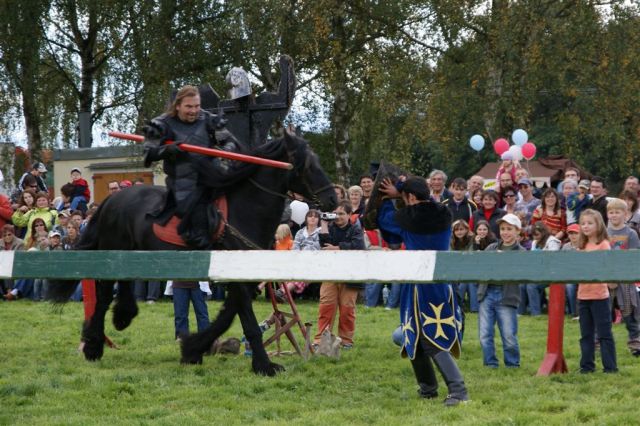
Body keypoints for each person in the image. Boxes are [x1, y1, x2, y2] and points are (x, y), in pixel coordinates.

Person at [376, 176, 468, 406]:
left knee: (432, 338)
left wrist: (390, 198)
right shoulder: (444, 213)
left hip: (419, 286)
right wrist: (402, 192)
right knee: (413, 337)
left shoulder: (408, 218)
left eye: (406, 197)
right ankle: (428, 388)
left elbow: (384, 220)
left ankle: (459, 391)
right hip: (440, 283)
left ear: (412, 197)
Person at [142, 84, 239, 249]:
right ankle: (200, 251)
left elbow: (230, 141)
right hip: (183, 181)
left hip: (212, 175)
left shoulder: (209, 119)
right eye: (188, 106)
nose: (194, 111)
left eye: (197, 106)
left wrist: (225, 151)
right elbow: (148, 153)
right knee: (197, 217)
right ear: (177, 105)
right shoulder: (161, 123)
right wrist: (168, 150)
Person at [313, 201, 365, 349]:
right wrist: (323, 224)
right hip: (330, 273)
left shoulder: (356, 229)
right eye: (336, 213)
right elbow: (324, 245)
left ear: (350, 215)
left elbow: (359, 246)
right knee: (326, 308)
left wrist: (337, 248)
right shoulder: (329, 228)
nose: (338, 217)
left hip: (350, 275)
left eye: (342, 213)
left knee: (347, 310)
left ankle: (346, 341)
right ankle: (321, 340)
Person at [478, 214, 524, 368]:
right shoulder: (492, 248)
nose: (505, 232)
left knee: (509, 334)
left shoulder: (521, 252)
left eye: (509, 229)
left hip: (507, 295)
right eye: (502, 229)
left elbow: (521, 273)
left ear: (518, 231)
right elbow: (481, 266)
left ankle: (512, 365)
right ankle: (490, 363)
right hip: (487, 293)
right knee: (485, 333)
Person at [576, 209, 617, 373]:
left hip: (599, 296)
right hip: (583, 295)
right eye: (583, 223)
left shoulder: (603, 245)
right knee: (586, 334)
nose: (586, 226)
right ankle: (586, 366)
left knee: (604, 333)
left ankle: (610, 367)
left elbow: (606, 268)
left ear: (598, 225)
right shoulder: (581, 246)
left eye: (590, 223)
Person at [605, 199, 640, 356]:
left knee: (629, 316)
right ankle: (600, 344)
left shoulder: (630, 233)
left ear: (625, 214)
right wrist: (608, 279)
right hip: (607, 281)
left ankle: (636, 345)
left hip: (625, 281)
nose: (614, 215)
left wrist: (619, 277)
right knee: (605, 314)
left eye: (617, 212)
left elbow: (632, 259)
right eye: (611, 212)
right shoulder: (604, 233)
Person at [518, 222, 561, 316]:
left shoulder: (552, 242)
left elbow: (552, 260)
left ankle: (535, 313)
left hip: (550, 273)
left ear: (543, 232)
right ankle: (520, 311)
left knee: (531, 286)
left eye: (537, 234)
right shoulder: (534, 242)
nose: (535, 237)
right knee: (521, 284)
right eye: (533, 235)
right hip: (536, 273)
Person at [451, 219, 478, 313]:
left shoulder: (472, 239)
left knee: (468, 282)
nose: (459, 232)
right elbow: (451, 257)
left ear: (467, 229)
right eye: (456, 230)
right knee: (464, 282)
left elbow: (470, 255)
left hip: (471, 268)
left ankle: (464, 306)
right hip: (455, 268)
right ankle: (462, 306)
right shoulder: (451, 240)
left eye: (461, 229)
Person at [561, 223, 581, 319]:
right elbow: (563, 263)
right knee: (569, 286)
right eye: (570, 233)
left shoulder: (584, 245)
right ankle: (572, 312)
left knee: (571, 286)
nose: (573, 236)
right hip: (568, 274)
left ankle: (576, 313)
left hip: (581, 275)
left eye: (575, 233)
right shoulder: (565, 247)